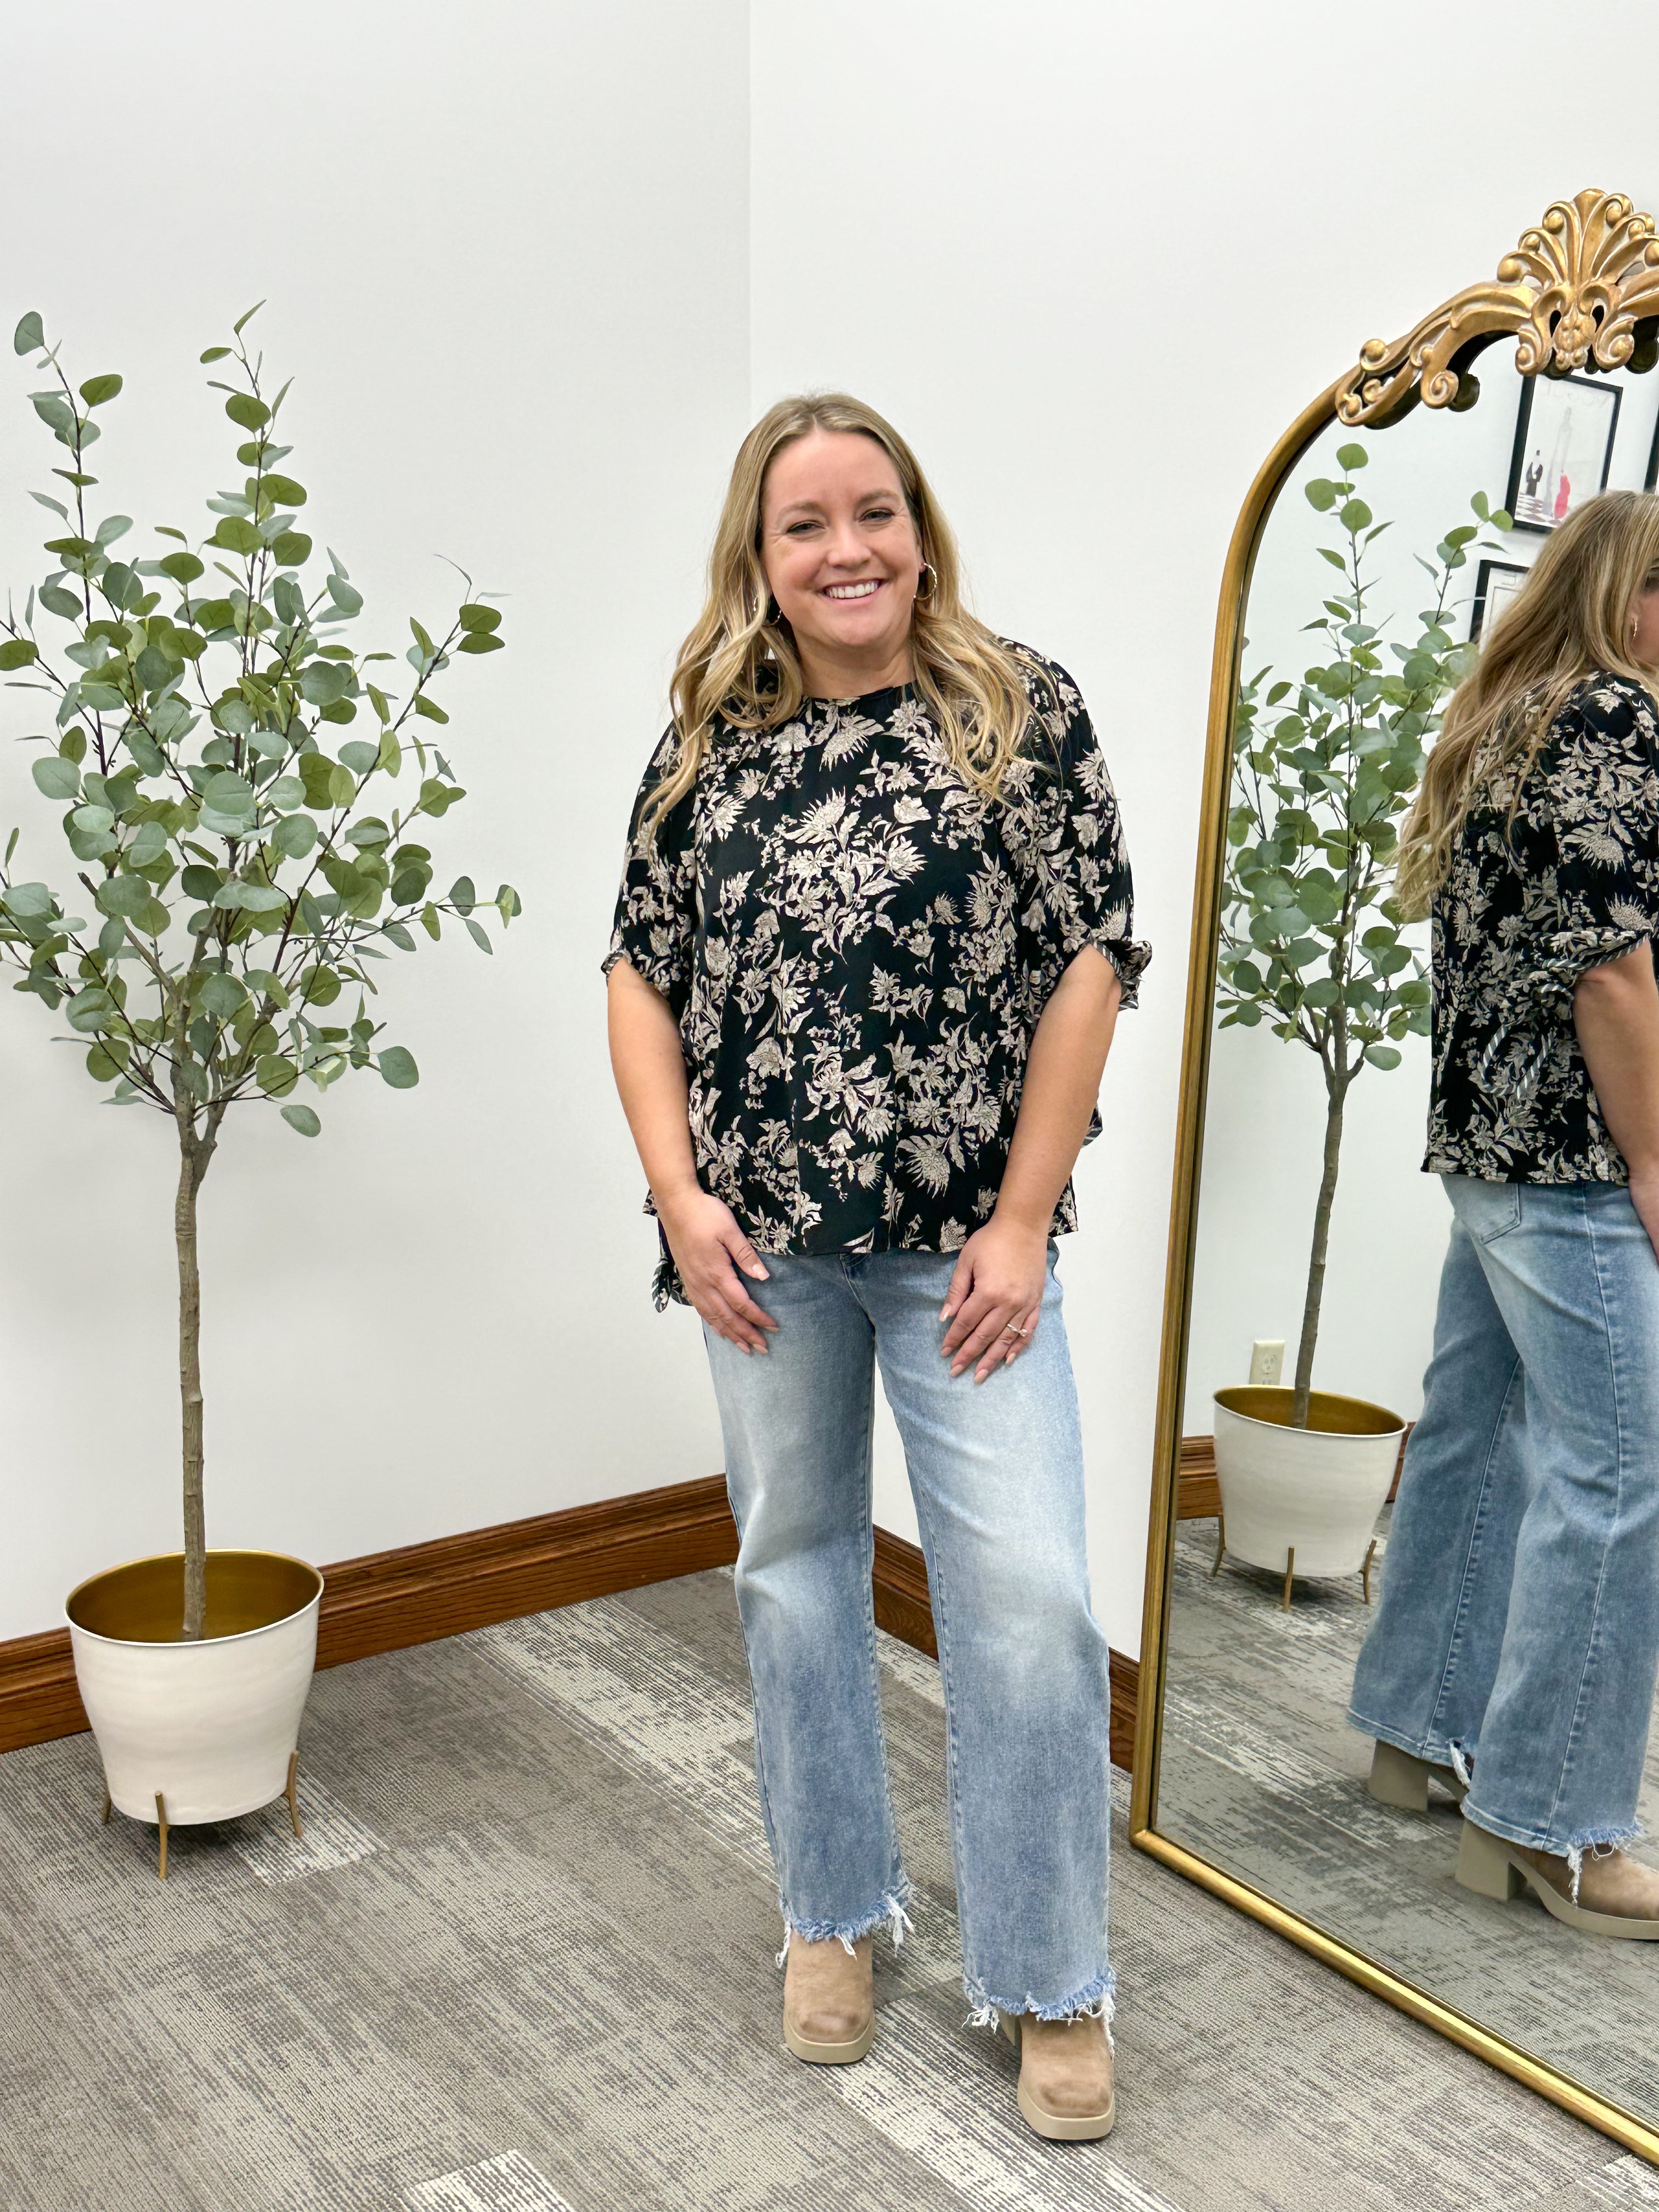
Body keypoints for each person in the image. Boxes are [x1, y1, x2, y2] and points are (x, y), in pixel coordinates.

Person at [602, 393, 1149, 2136]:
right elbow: (638, 971)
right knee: (794, 1573)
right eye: (806, 524)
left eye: (876, 511)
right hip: (761, 1251)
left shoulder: (1020, 711)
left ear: (922, 525)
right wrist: (678, 1198)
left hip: (961, 1260)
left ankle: (1053, 1977)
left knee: (1034, 1606)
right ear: (756, 559)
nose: (849, 550)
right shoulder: (709, 739)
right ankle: (832, 1912)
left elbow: (1089, 958)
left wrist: (1017, 1217)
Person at [1350, 488, 1659, 1940]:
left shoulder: (1508, 722)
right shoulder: (1610, 723)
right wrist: (1655, 1163)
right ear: (1638, 594)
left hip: (1486, 1147)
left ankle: (1418, 1731)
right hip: (1578, 1164)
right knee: (1623, 1474)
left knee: (1480, 1438)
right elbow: (1614, 972)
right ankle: (1552, 1822)